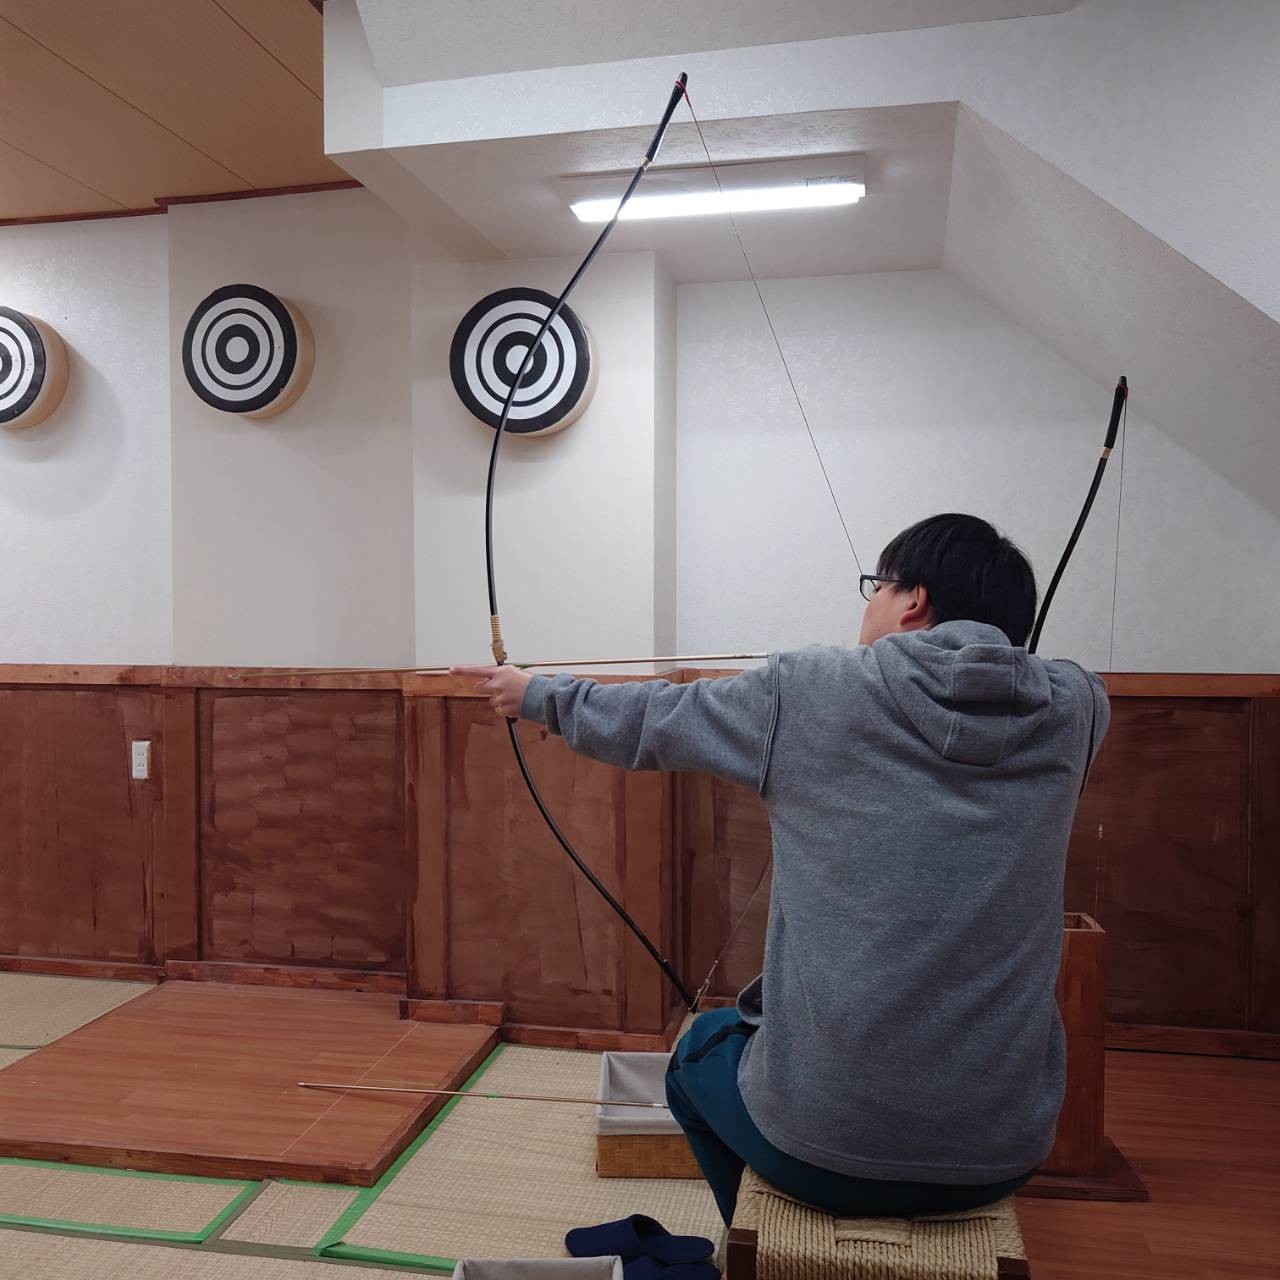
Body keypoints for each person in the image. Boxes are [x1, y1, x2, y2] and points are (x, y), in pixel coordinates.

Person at [453, 512, 1109, 1225]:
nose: (869, 603)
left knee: (696, 1055)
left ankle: (757, 1244)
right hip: (1006, 1149)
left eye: (877, 586)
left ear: (913, 601)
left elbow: (654, 718)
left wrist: (534, 694)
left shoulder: (813, 688)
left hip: (822, 1146)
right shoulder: (1079, 708)